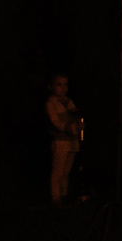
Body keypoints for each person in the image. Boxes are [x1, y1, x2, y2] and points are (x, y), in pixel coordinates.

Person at [45, 75, 82, 204]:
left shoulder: (69, 102)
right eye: (59, 85)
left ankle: (64, 195)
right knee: (58, 171)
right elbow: (55, 121)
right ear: (51, 86)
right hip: (60, 141)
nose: (63, 88)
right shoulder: (51, 103)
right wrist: (67, 127)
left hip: (72, 141)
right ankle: (55, 198)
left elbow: (76, 116)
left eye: (65, 85)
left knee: (66, 171)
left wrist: (78, 125)